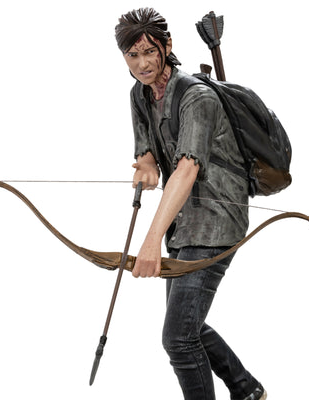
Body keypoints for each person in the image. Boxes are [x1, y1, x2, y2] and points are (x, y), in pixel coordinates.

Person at [115, 8, 267, 400]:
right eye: (133, 55)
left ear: (167, 46)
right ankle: (246, 389)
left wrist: (150, 242)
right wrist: (146, 163)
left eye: (150, 51)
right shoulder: (139, 94)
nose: (143, 63)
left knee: (178, 338)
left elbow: (186, 169)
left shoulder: (197, 97)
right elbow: (147, 148)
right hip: (182, 223)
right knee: (187, 325)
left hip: (217, 220)